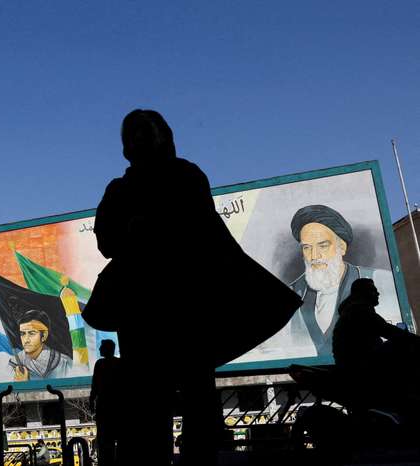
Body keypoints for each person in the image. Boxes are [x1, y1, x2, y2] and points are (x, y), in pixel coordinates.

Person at [86, 109, 301, 465]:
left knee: (196, 391)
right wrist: (133, 231)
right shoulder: (119, 190)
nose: (141, 140)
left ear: (164, 137)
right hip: (141, 307)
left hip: (190, 303)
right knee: (149, 397)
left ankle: (198, 459)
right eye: (134, 134)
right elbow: (106, 242)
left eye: (147, 132)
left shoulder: (186, 175)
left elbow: (206, 233)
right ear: (126, 146)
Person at [281, 205, 398, 357]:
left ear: (341, 247)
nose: (314, 256)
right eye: (307, 248)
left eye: (323, 245)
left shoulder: (384, 281)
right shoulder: (289, 295)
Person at [332, 278, 420, 410]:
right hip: (363, 370)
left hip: (356, 369)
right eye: (373, 290)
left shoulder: (352, 310)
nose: (377, 293)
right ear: (363, 293)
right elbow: (390, 331)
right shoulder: (359, 311)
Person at [10, 309, 73, 381]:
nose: (26, 340)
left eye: (31, 333)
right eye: (23, 334)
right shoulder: (14, 363)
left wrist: (25, 385)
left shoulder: (64, 363)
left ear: (44, 336)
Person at [90, 339, 121, 466]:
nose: (99, 349)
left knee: (105, 440)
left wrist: (91, 400)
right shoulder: (119, 363)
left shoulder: (100, 364)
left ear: (107, 349)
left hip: (104, 407)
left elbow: (95, 386)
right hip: (117, 407)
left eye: (101, 347)